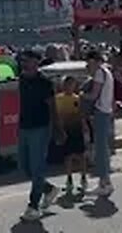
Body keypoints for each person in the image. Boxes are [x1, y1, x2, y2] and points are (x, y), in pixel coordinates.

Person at [16, 50, 62, 221]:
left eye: (28, 61)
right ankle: (48, 189)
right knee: (24, 166)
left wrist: (57, 128)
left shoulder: (44, 83)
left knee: (37, 168)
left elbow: (52, 107)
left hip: (40, 128)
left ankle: (33, 205)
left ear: (36, 63)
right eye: (23, 61)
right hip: (24, 127)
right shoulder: (21, 79)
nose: (24, 64)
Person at [84, 49, 116, 197]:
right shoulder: (106, 72)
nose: (89, 66)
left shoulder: (98, 73)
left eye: (90, 63)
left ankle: (104, 182)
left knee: (101, 148)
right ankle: (105, 181)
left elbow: (93, 95)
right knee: (103, 147)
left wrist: (81, 95)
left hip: (101, 112)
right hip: (106, 111)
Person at [55, 75, 88, 196]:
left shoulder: (77, 99)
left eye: (71, 85)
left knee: (81, 155)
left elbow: (82, 114)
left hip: (76, 129)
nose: (69, 87)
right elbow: (56, 115)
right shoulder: (58, 99)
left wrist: (85, 127)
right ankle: (69, 179)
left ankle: (83, 178)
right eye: (66, 84)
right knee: (67, 156)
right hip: (65, 130)